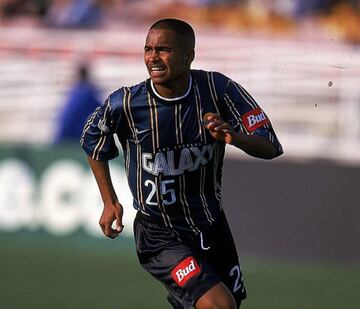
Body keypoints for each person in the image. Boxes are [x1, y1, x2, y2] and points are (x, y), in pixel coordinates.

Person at [80, 18, 283, 309]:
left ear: (189, 55)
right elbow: (92, 137)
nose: (153, 57)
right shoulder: (126, 103)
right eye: (148, 49)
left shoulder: (218, 89)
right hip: (159, 234)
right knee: (219, 305)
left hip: (212, 225)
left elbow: (270, 145)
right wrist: (109, 200)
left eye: (163, 50)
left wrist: (233, 136)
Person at [54, 63, 101, 144]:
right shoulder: (89, 92)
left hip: (72, 137)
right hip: (81, 137)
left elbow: (68, 117)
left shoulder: (79, 93)